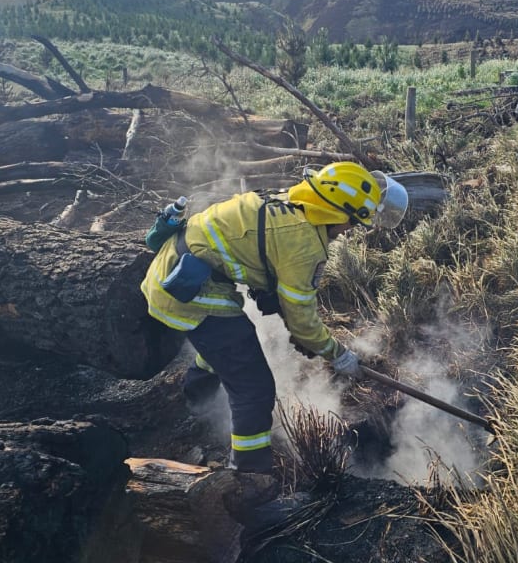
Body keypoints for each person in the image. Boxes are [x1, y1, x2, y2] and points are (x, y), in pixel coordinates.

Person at [139, 162, 408, 474]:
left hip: (172, 271)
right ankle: (250, 480)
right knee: (254, 389)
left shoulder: (288, 202)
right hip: (186, 293)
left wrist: (306, 336)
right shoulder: (303, 243)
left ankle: (198, 400)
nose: (348, 231)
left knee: (230, 346)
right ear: (336, 212)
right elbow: (302, 321)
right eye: (351, 223)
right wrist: (339, 356)